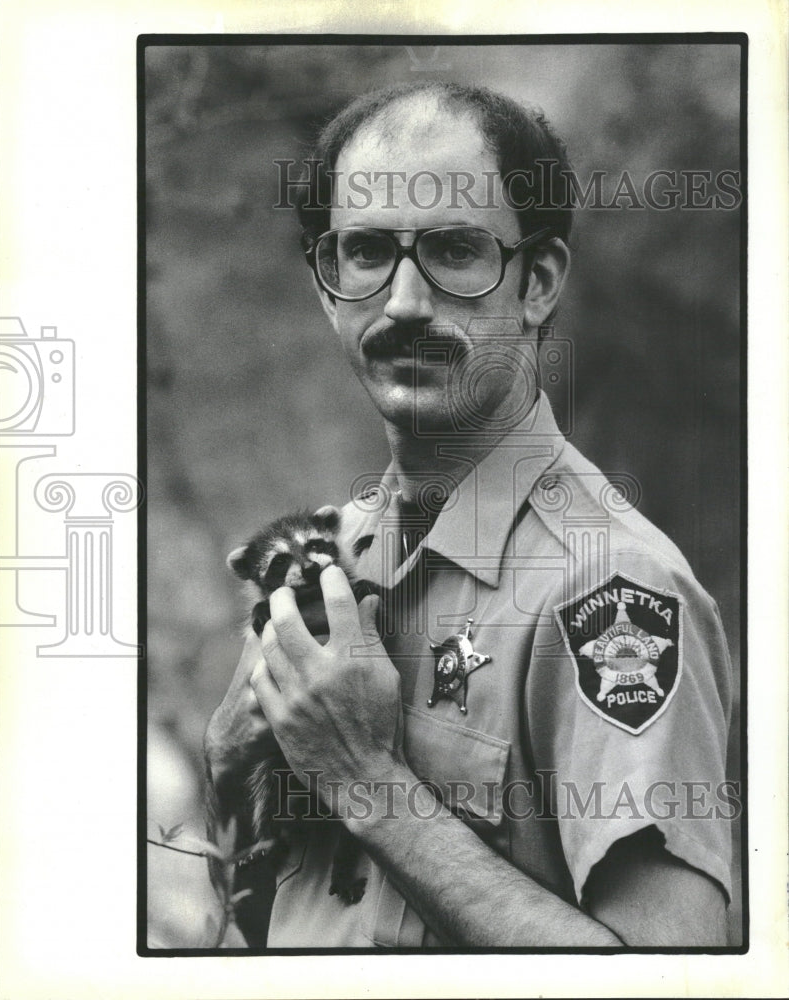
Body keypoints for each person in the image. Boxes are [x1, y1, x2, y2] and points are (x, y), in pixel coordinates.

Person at [204, 81, 734, 948]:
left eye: (454, 250)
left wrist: (370, 786)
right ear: (326, 285)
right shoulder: (331, 557)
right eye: (366, 251)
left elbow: (669, 975)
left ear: (538, 282)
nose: (405, 303)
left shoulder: (611, 588)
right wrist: (230, 762)